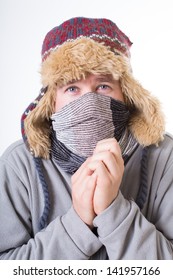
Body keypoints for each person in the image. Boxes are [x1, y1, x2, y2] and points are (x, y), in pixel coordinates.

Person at [0, 16, 173, 260]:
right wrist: (78, 222)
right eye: (72, 88)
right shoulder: (19, 165)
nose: (89, 102)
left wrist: (114, 210)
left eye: (103, 85)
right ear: (51, 101)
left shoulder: (164, 157)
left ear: (127, 93)